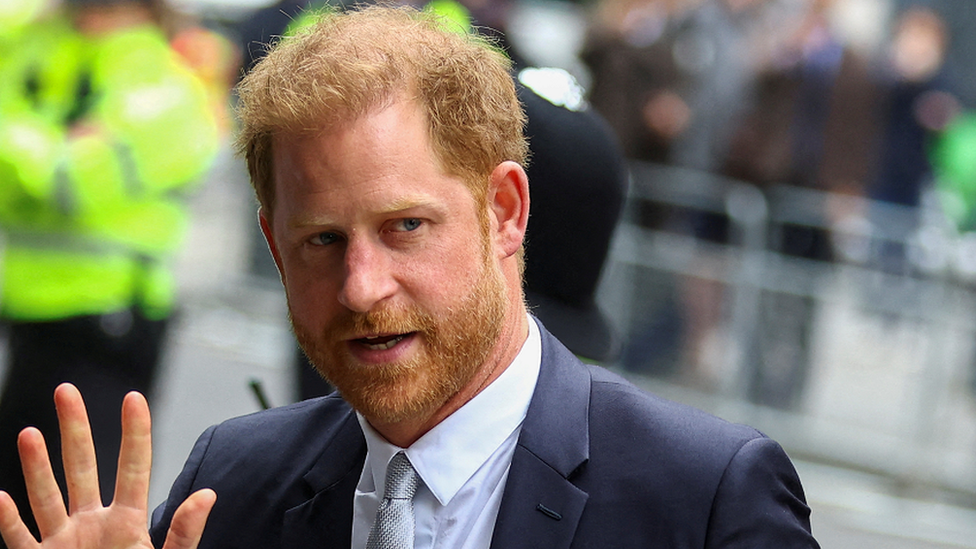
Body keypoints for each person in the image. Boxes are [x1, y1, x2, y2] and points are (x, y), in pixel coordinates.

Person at [0, 5, 819, 548]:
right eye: (321, 241)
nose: (361, 287)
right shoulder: (231, 483)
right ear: (274, 248)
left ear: (504, 210)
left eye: (406, 228)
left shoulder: (705, 498)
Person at [0, 0, 220, 540]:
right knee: (17, 518)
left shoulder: (168, 85)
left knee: (78, 521)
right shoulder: (37, 41)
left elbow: (70, 181)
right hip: (28, 317)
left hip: (104, 329)